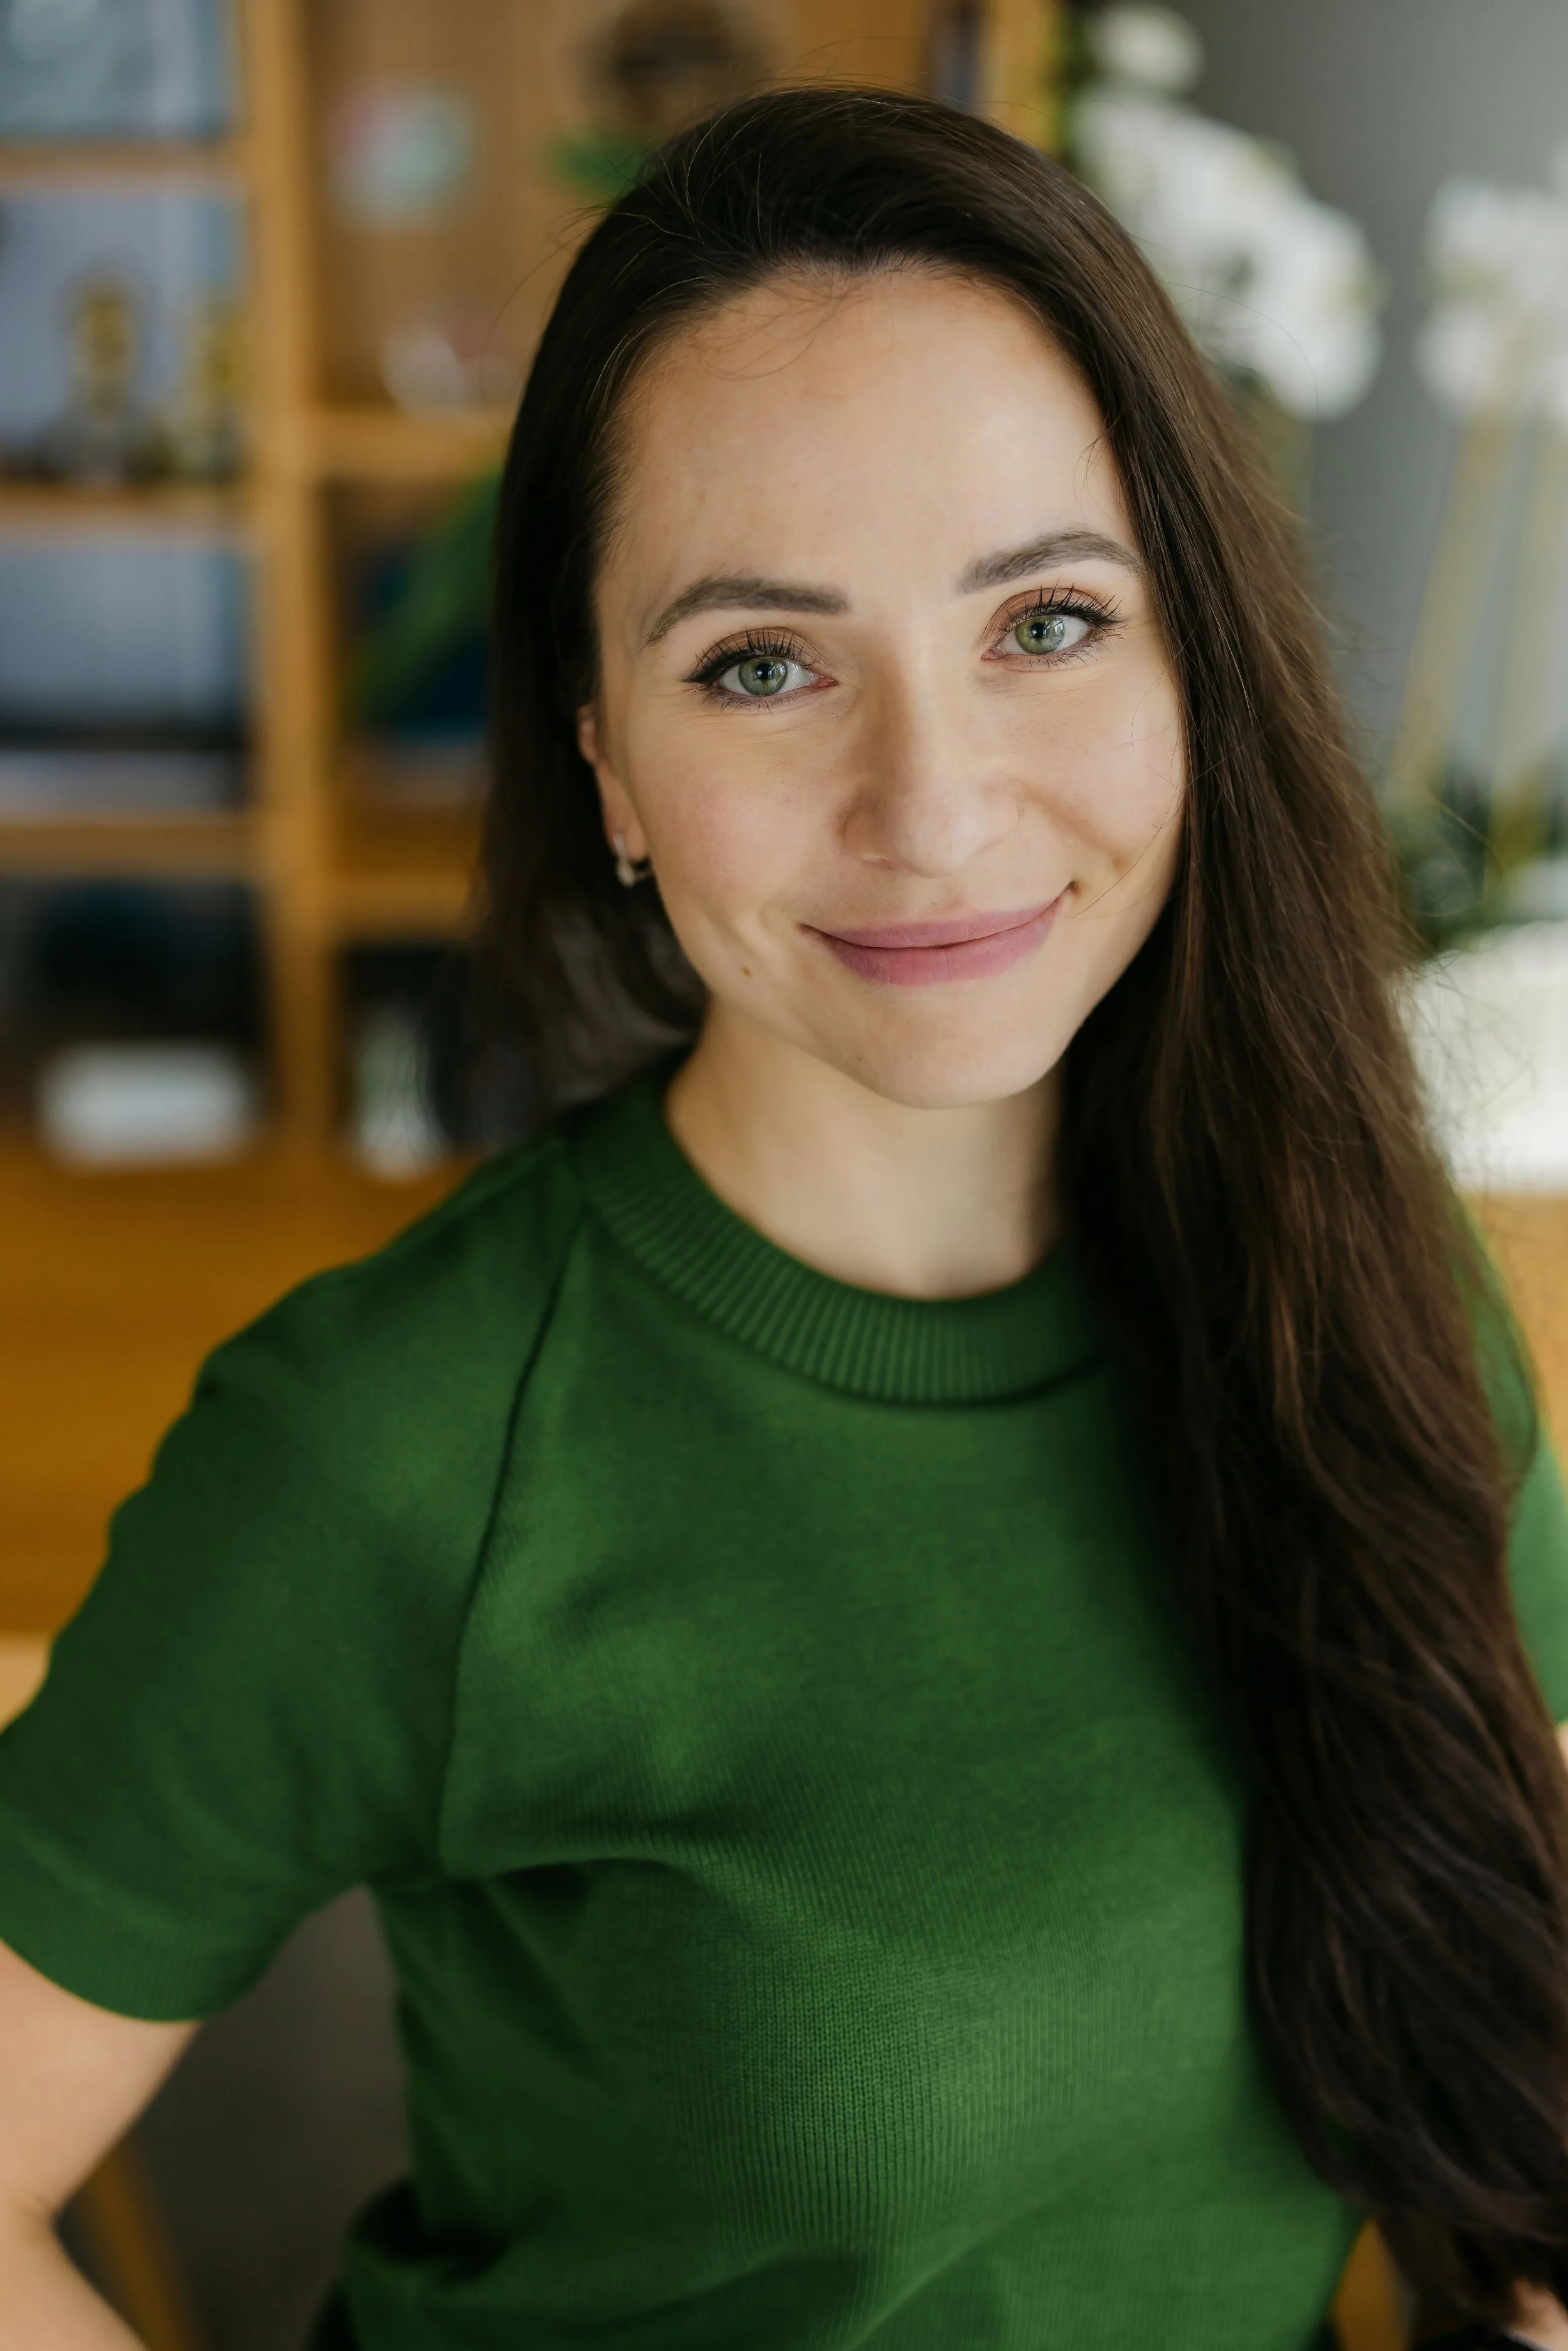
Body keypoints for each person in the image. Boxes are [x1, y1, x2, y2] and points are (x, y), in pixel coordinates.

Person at [1, 85, 1567, 2351]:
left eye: (1045, 620)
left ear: (1192, 665)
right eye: (761, 661)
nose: (930, 806)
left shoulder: (1358, 1267)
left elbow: (1519, 1989)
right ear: (607, 764)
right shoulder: (399, 1446)